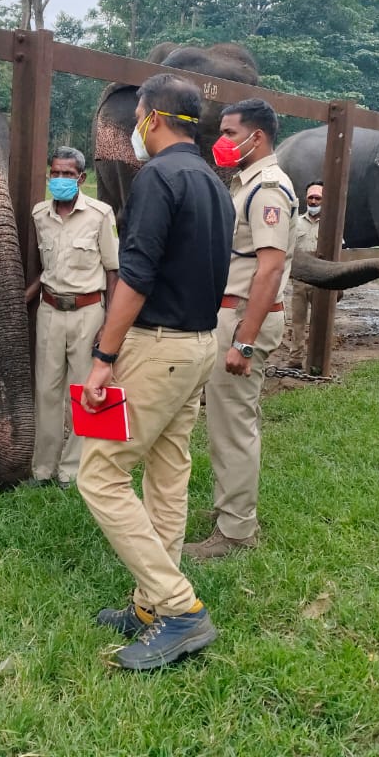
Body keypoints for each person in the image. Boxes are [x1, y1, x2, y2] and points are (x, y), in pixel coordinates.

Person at [77, 73, 233, 671]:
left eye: (136, 117)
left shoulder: (159, 178)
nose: (132, 129)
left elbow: (136, 276)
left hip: (156, 349)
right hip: (197, 347)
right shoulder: (211, 182)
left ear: (153, 119)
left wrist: (103, 357)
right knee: (167, 475)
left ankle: (179, 609)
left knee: (100, 475)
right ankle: (149, 605)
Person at [184, 98, 298, 559]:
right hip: (230, 314)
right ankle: (229, 510)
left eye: (231, 133)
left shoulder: (267, 188)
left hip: (243, 319)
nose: (222, 142)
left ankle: (235, 532)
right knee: (224, 424)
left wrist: (244, 342)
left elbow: (269, 270)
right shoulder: (246, 185)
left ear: (258, 137)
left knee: (234, 426)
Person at [24, 147, 120, 489]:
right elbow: (42, 270)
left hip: (88, 313)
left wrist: (109, 325)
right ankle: (43, 469)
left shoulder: (99, 214)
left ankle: (74, 469)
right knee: (47, 391)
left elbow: (113, 271)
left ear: (81, 178)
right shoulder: (39, 214)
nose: (61, 180)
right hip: (50, 310)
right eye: (56, 173)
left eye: (68, 174)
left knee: (84, 390)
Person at [285, 180, 323, 369]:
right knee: (297, 323)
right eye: (311, 198)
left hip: (321, 281)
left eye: (318, 198)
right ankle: (295, 360)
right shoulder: (296, 223)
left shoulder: (330, 226)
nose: (314, 201)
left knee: (319, 323)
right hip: (300, 281)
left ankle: (317, 360)